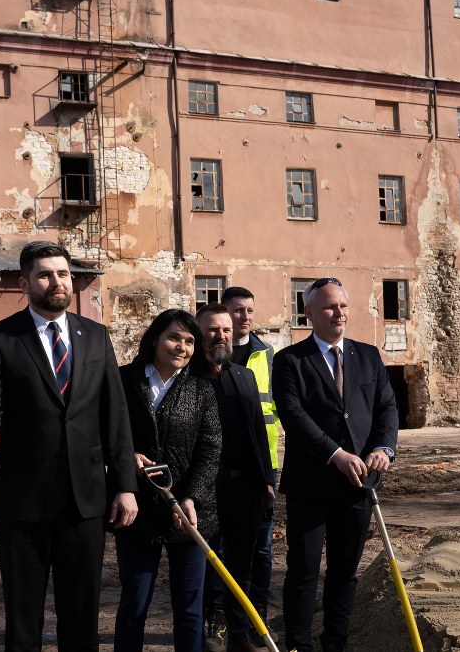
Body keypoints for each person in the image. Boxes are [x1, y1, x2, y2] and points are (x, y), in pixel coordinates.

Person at [0, 240, 138, 652]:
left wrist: (126, 485)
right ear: (25, 282)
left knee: (81, 618)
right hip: (23, 503)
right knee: (23, 620)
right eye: (45, 275)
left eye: (62, 273)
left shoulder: (95, 336)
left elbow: (114, 416)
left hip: (86, 501)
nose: (56, 282)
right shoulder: (3, 338)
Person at [273, 278, 399, 652]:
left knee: (344, 573)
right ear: (309, 312)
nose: (339, 313)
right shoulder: (289, 361)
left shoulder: (368, 355)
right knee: (303, 571)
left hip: (359, 484)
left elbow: (386, 408)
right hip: (310, 485)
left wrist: (384, 448)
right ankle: (297, 644)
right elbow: (293, 416)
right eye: (330, 307)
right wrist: (335, 454)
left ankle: (335, 643)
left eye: (343, 305)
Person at [114, 308, 222, 652]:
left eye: (190, 341)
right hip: (137, 511)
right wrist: (124, 459)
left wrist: (190, 497)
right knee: (134, 602)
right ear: (156, 338)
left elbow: (211, 448)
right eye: (175, 337)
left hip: (189, 515)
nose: (182, 347)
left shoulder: (201, 390)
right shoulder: (122, 381)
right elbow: (102, 433)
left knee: (190, 609)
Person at [195, 303, 273, 652]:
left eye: (225, 329)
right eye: (213, 329)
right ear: (199, 334)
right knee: (207, 565)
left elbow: (258, 432)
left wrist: (266, 480)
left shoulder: (245, 376)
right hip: (205, 489)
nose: (221, 335)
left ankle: (238, 636)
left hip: (245, 486)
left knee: (242, 565)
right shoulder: (189, 379)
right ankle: (210, 633)